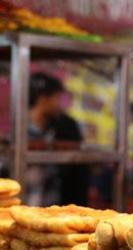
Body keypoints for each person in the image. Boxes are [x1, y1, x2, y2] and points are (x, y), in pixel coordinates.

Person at [28, 72, 89, 206]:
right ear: (43, 99)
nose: (59, 104)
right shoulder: (20, 131)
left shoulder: (65, 128)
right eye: (56, 98)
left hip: (54, 209)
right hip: (24, 206)